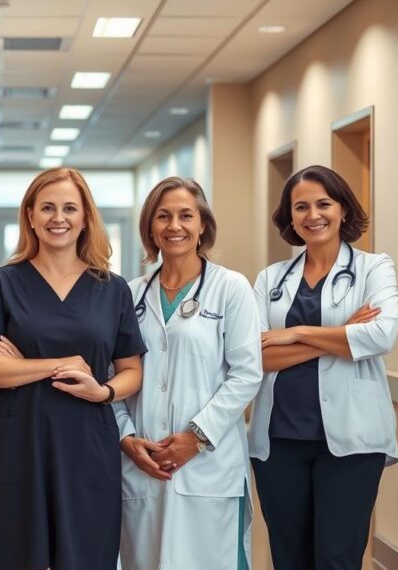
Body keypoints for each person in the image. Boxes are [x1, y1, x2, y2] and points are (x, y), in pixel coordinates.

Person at [0, 167, 146, 570]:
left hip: (86, 440)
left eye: (69, 208)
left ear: (85, 217)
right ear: (30, 216)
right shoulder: (3, 283)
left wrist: (104, 391)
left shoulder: (112, 288)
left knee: (85, 556)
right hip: (18, 441)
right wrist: (59, 364)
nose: (57, 218)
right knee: (20, 556)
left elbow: (131, 369)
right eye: (47, 208)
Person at [249, 165, 398, 570]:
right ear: (290, 216)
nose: (313, 215)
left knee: (337, 559)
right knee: (290, 559)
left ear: (343, 209)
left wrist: (295, 333)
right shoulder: (270, 279)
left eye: (324, 204)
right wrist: (342, 333)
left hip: (352, 442)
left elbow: (381, 335)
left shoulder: (373, 268)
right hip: (279, 441)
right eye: (301, 207)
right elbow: (256, 356)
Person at [114, 177, 261, 570]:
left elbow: (246, 374)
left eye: (185, 215)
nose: (174, 225)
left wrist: (196, 437)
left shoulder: (231, 288)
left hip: (208, 466)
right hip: (143, 462)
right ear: (150, 228)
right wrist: (125, 438)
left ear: (202, 225)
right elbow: (113, 377)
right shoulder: (129, 294)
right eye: (163, 216)